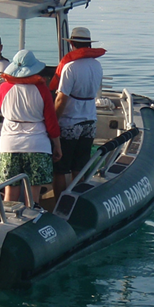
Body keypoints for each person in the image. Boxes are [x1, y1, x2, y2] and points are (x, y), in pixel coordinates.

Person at [0, 49, 62, 204]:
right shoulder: (42, 90)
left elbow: (2, 109)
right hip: (37, 145)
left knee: (10, 194)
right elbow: (51, 122)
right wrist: (57, 146)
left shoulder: (3, 88)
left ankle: (7, 225)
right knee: (32, 197)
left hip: (9, 144)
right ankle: (30, 222)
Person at [51, 27, 105, 200]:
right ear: (89, 44)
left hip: (69, 122)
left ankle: (59, 203)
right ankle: (77, 201)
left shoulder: (70, 67)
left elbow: (61, 99)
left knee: (60, 168)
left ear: (72, 44)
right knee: (80, 167)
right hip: (89, 120)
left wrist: (52, 122)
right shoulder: (97, 66)